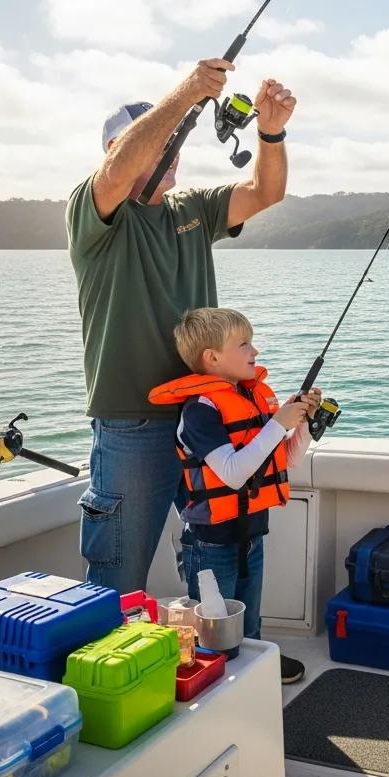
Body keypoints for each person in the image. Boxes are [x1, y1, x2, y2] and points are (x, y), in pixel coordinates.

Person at [66, 58, 308, 682]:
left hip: (207, 414)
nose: (172, 156)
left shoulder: (194, 207)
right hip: (132, 426)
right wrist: (184, 97)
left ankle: (237, 666)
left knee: (219, 553)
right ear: (120, 149)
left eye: (177, 147)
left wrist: (272, 133)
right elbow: (120, 169)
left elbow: (265, 192)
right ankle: (110, 682)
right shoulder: (94, 213)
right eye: (160, 143)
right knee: (117, 574)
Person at [148, 308, 320, 643]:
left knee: (249, 624)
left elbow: (287, 459)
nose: (254, 352)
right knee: (211, 631)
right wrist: (278, 423)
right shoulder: (200, 410)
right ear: (211, 357)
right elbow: (232, 474)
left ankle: (252, 679)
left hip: (251, 535)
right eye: (244, 344)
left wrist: (304, 425)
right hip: (211, 543)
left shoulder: (251, 401)